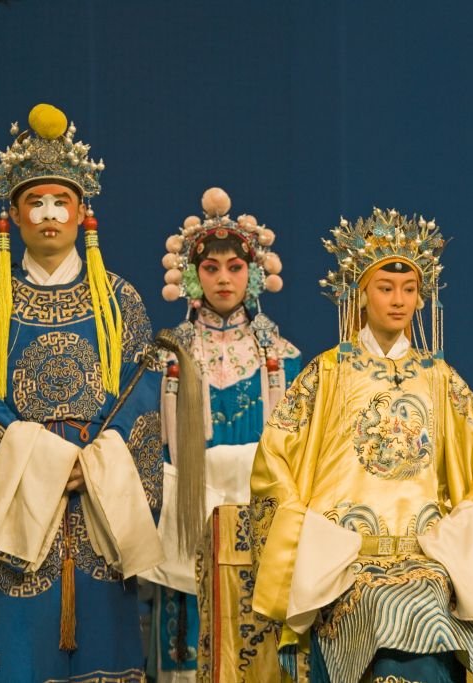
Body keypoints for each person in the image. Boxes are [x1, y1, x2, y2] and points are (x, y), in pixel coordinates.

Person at [249, 208, 473, 683]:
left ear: (422, 298)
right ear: (360, 293)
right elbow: (275, 453)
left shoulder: (437, 376)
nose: (398, 300)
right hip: (344, 558)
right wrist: (306, 532)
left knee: (430, 602)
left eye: (409, 289)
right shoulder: (328, 372)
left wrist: (467, 514)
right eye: (385, 287)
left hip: (425, 556)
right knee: (379, 603)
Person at [0, 104, 164, 682]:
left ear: (81, 212)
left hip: (99, 501)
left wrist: (90, 467)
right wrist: (46, 464)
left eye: (60, 202)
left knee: (105, 649)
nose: (49, 215)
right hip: (17, 505)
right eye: (35, 202)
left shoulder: (120, 301)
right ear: (13, 214)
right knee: (15, 651)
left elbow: (141, 399)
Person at [142, 187, 301, 681]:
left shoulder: (283, 355)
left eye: (235, 267)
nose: (224, 279)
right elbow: (151, 444)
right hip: (188, 511)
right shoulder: (167, 356)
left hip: (261, 514)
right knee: (189, 637)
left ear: (254, 273)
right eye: (211, 268)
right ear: (192, 275)